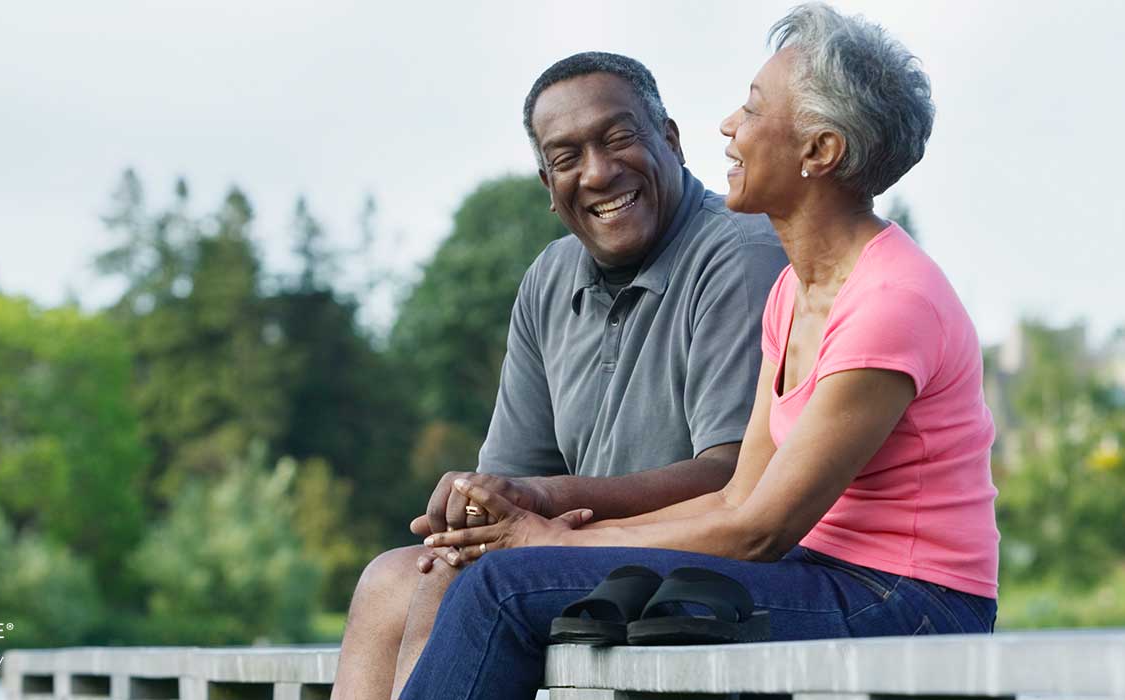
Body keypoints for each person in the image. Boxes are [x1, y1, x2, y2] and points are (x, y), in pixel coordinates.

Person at [399, 4, 999, 697]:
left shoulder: (892, 301)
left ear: (819, 151)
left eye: (751, 109)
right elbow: (738, 496)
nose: (727, 128)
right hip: (822, 578)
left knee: (504, 589)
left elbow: (756, 531)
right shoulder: (796, 292)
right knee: (510, 579)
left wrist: (547, 545)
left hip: (909, 605)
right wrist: (554, 529)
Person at [331, 52, 789, 699]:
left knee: (462, 582)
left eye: (618, 137)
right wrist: (478, 503)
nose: (599, 173)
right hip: (584, 556)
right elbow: (516, 479)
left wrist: (541, 503)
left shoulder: (740, 254)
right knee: (393, 578)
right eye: (568, 157)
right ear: (547, 183)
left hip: (700, 565)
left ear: (672, 140)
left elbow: (738, 474)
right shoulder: (548, 278)